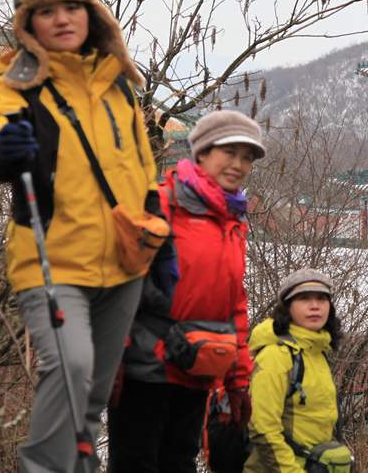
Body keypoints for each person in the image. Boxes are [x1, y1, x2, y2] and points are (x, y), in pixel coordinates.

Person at [0, 0, 161, 472]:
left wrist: (156, 224)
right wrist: (5, 149)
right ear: (28, 22)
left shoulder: (118, 83)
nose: (62, 19)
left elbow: (143, 167)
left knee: (93, 395)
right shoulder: (19, 82)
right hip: (51, 260)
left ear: (91, 14)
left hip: (125, 262)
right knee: (70, 368)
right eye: (47, 10)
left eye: (73, 7)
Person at [108, 110, 264, 473]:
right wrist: (110, 356)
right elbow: (118, 282)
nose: (238, 164)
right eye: (230, 152)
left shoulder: (232, 221)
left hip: (197, 370)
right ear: (202, 153)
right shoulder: (160, 204)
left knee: (179, 464)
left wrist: (238, 380)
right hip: (144, 369)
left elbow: (232, 304)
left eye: (247, 158)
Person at [245, 269, 351, 472]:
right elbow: (262, 428)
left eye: (321, 299)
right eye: (304, 299)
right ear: (287, 308)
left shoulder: (317, 353)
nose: (314, 306)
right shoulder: (276, 355)